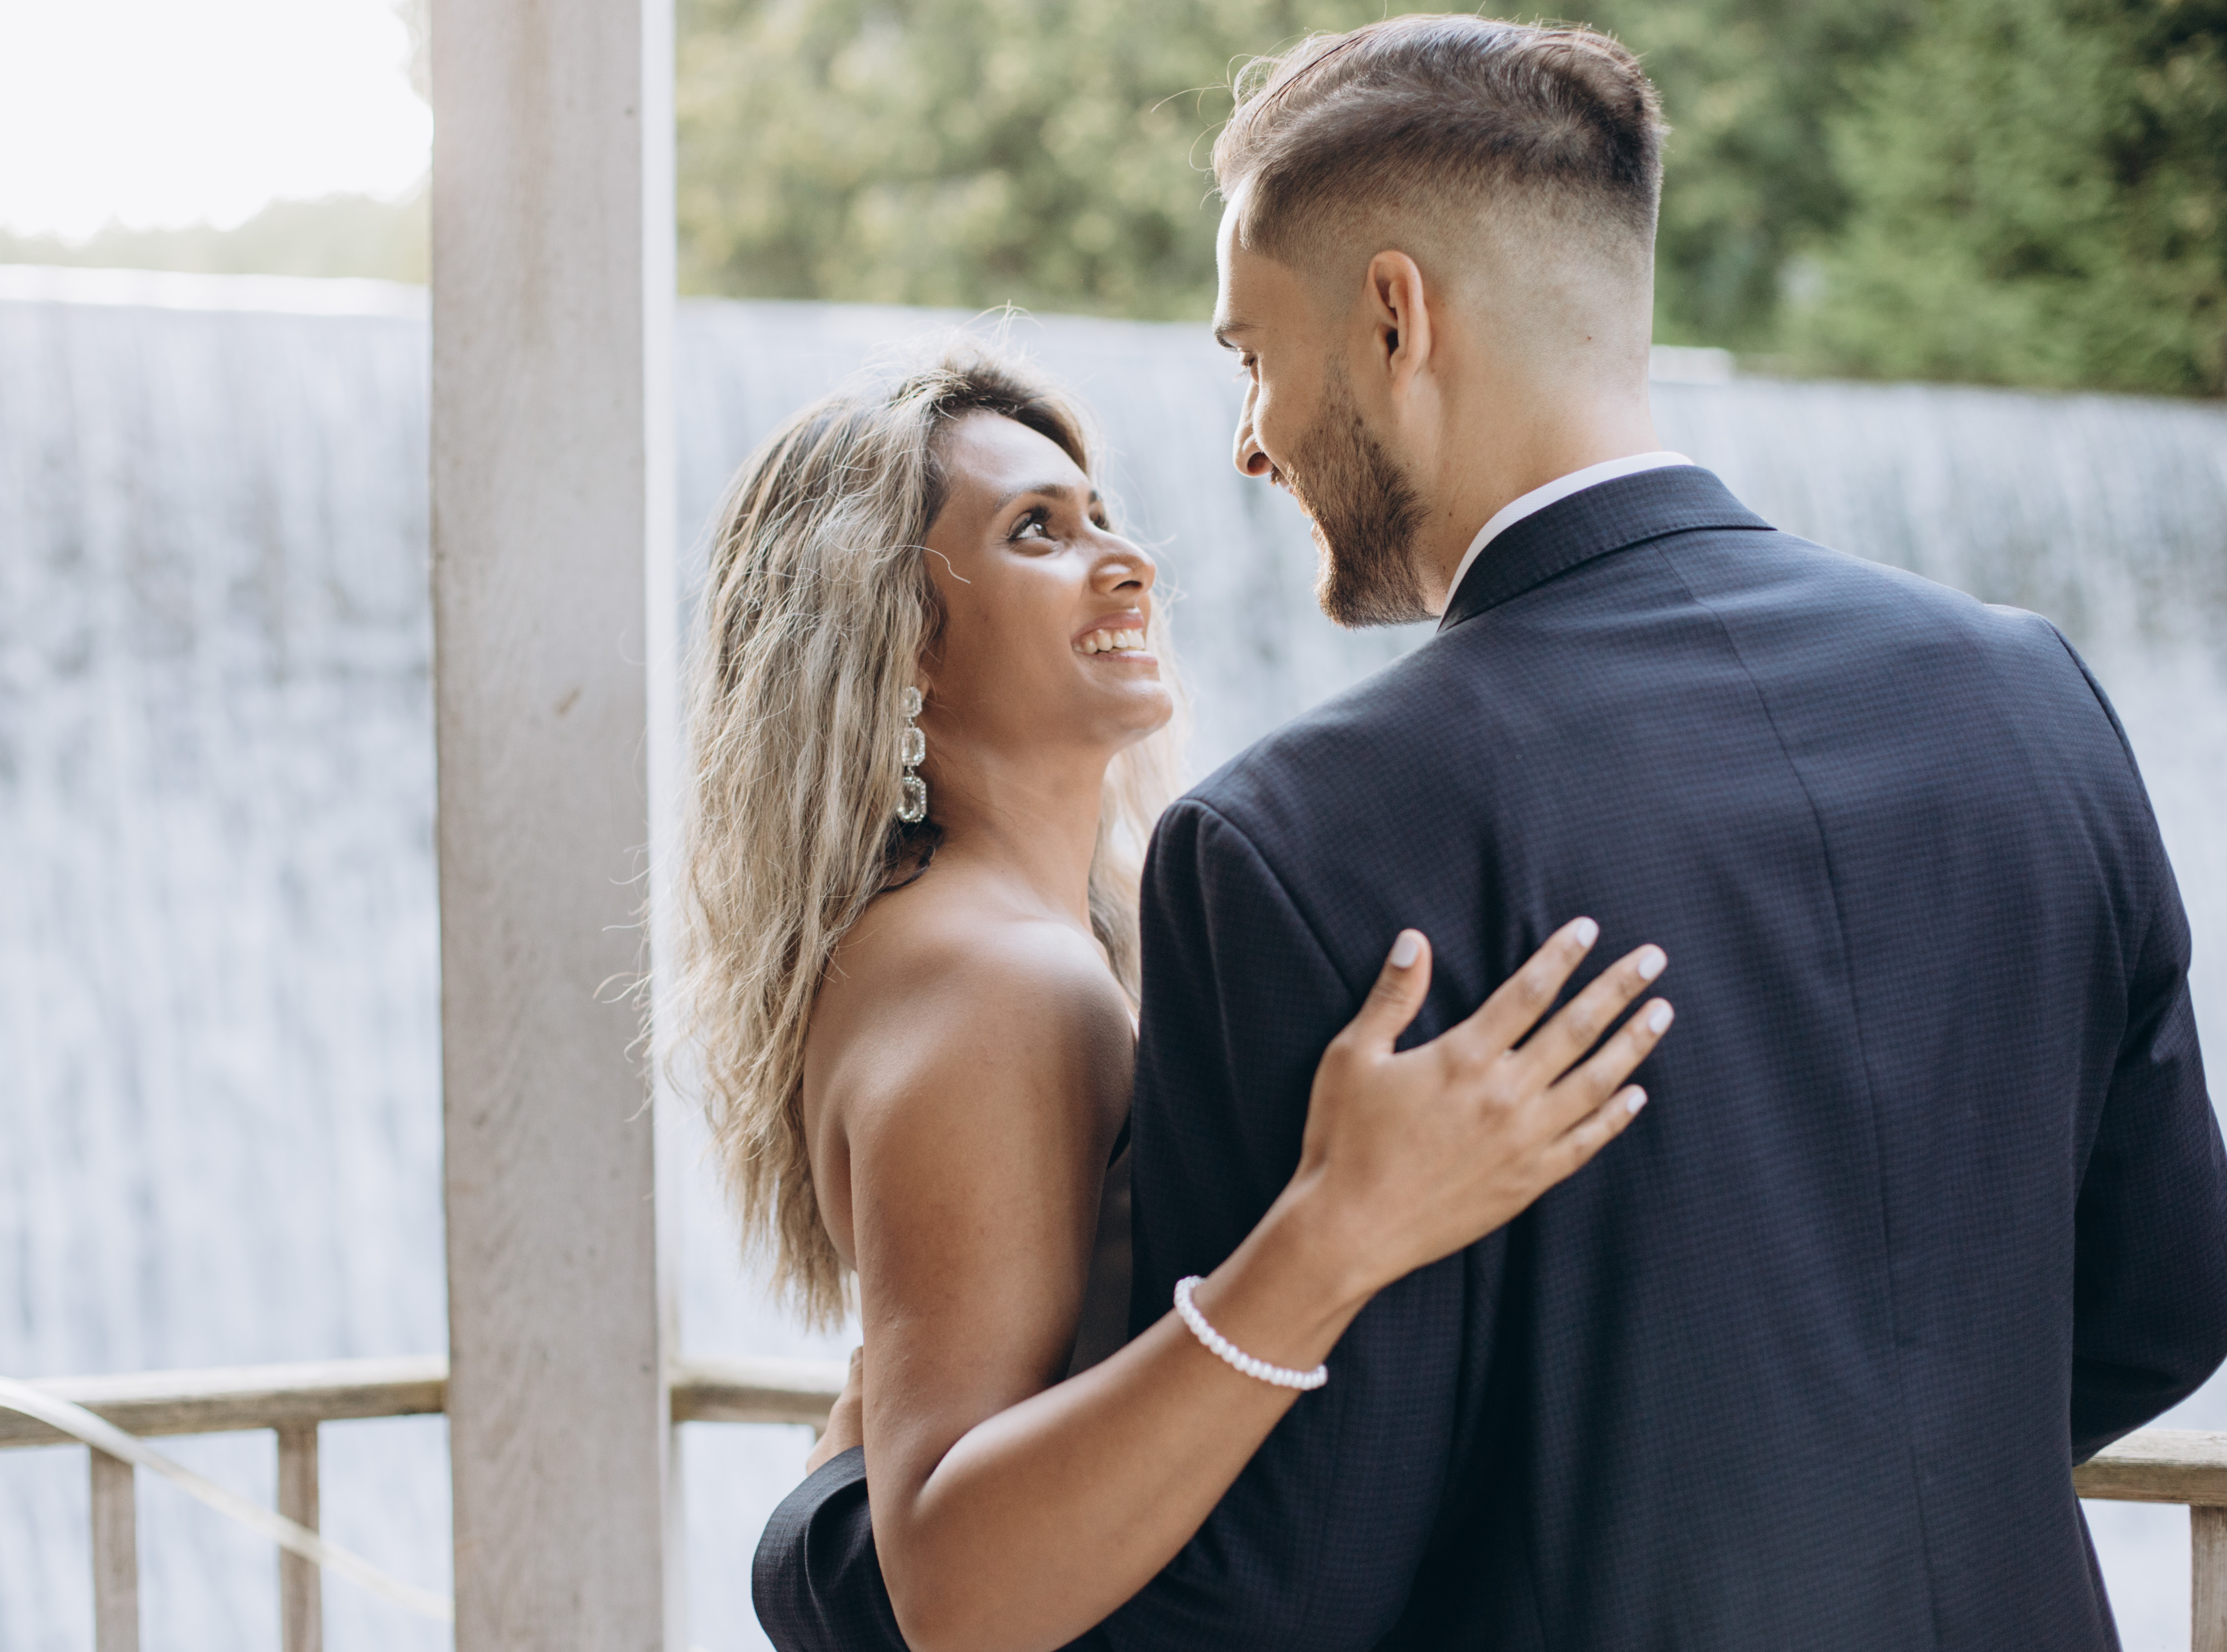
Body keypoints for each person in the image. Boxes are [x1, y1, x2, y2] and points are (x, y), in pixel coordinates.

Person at [745, 14, 2227, 1652]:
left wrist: (825, 1548)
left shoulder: (1295, 846)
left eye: (1252, 356)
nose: (1247, 442)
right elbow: (2166, 1300)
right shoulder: (2028, 694)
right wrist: (1858, 1493)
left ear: (1395, 319)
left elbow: (1262, 1581)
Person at [675, 341, 1677, 1652]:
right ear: (902, 642)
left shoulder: (966, 935)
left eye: (1103, 515)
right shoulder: (998, 980)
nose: (1128, 562)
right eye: (1037, 531)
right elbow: (958, 1592)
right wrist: (1344, 1226)